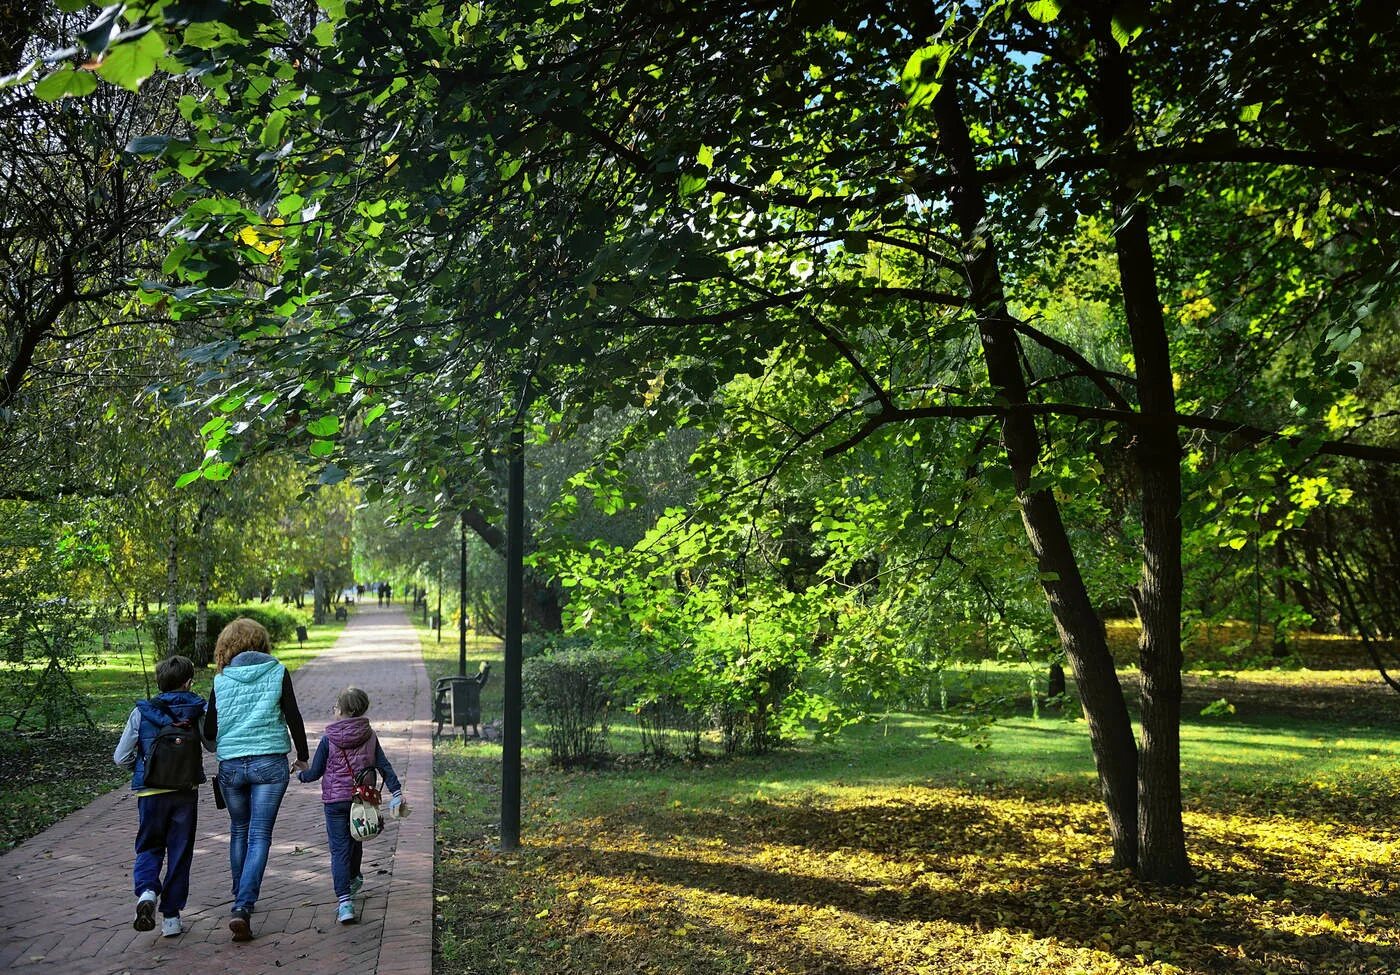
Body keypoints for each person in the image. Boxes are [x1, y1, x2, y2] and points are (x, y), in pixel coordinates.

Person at [204, 618, 310, 942]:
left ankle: (240, 894)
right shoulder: (277, 671)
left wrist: (227, 742)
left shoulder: (220, 679)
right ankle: (242, 905)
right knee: (260, 834)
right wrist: (303, 756)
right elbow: (294, 717)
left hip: (231, 766)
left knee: (238, 830)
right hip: (269, 764)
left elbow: (208, 731)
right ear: (261, 642)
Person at [113, 654, 210, 938]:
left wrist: (141, 767)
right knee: (180, 853)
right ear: (188, 682)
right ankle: (171, 917)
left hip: (150, 791)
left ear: (160, 682)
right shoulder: (197, 710)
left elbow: (120, 757)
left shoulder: (142, 712)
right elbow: (211, 744)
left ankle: (145, 893)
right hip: (184, 791)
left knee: (149, 846)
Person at [296, 686, 408, 924]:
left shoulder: (329, 738)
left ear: (344, 711)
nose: (334, 711)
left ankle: (344, 903)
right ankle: (355, 876)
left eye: (336, 707)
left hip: (335, 802)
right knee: (356, 840)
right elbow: (384, 766)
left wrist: (301, 776)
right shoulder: (370, 735)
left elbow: (315, 772)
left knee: (339, 850)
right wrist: (396, 791)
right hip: (362, 799)